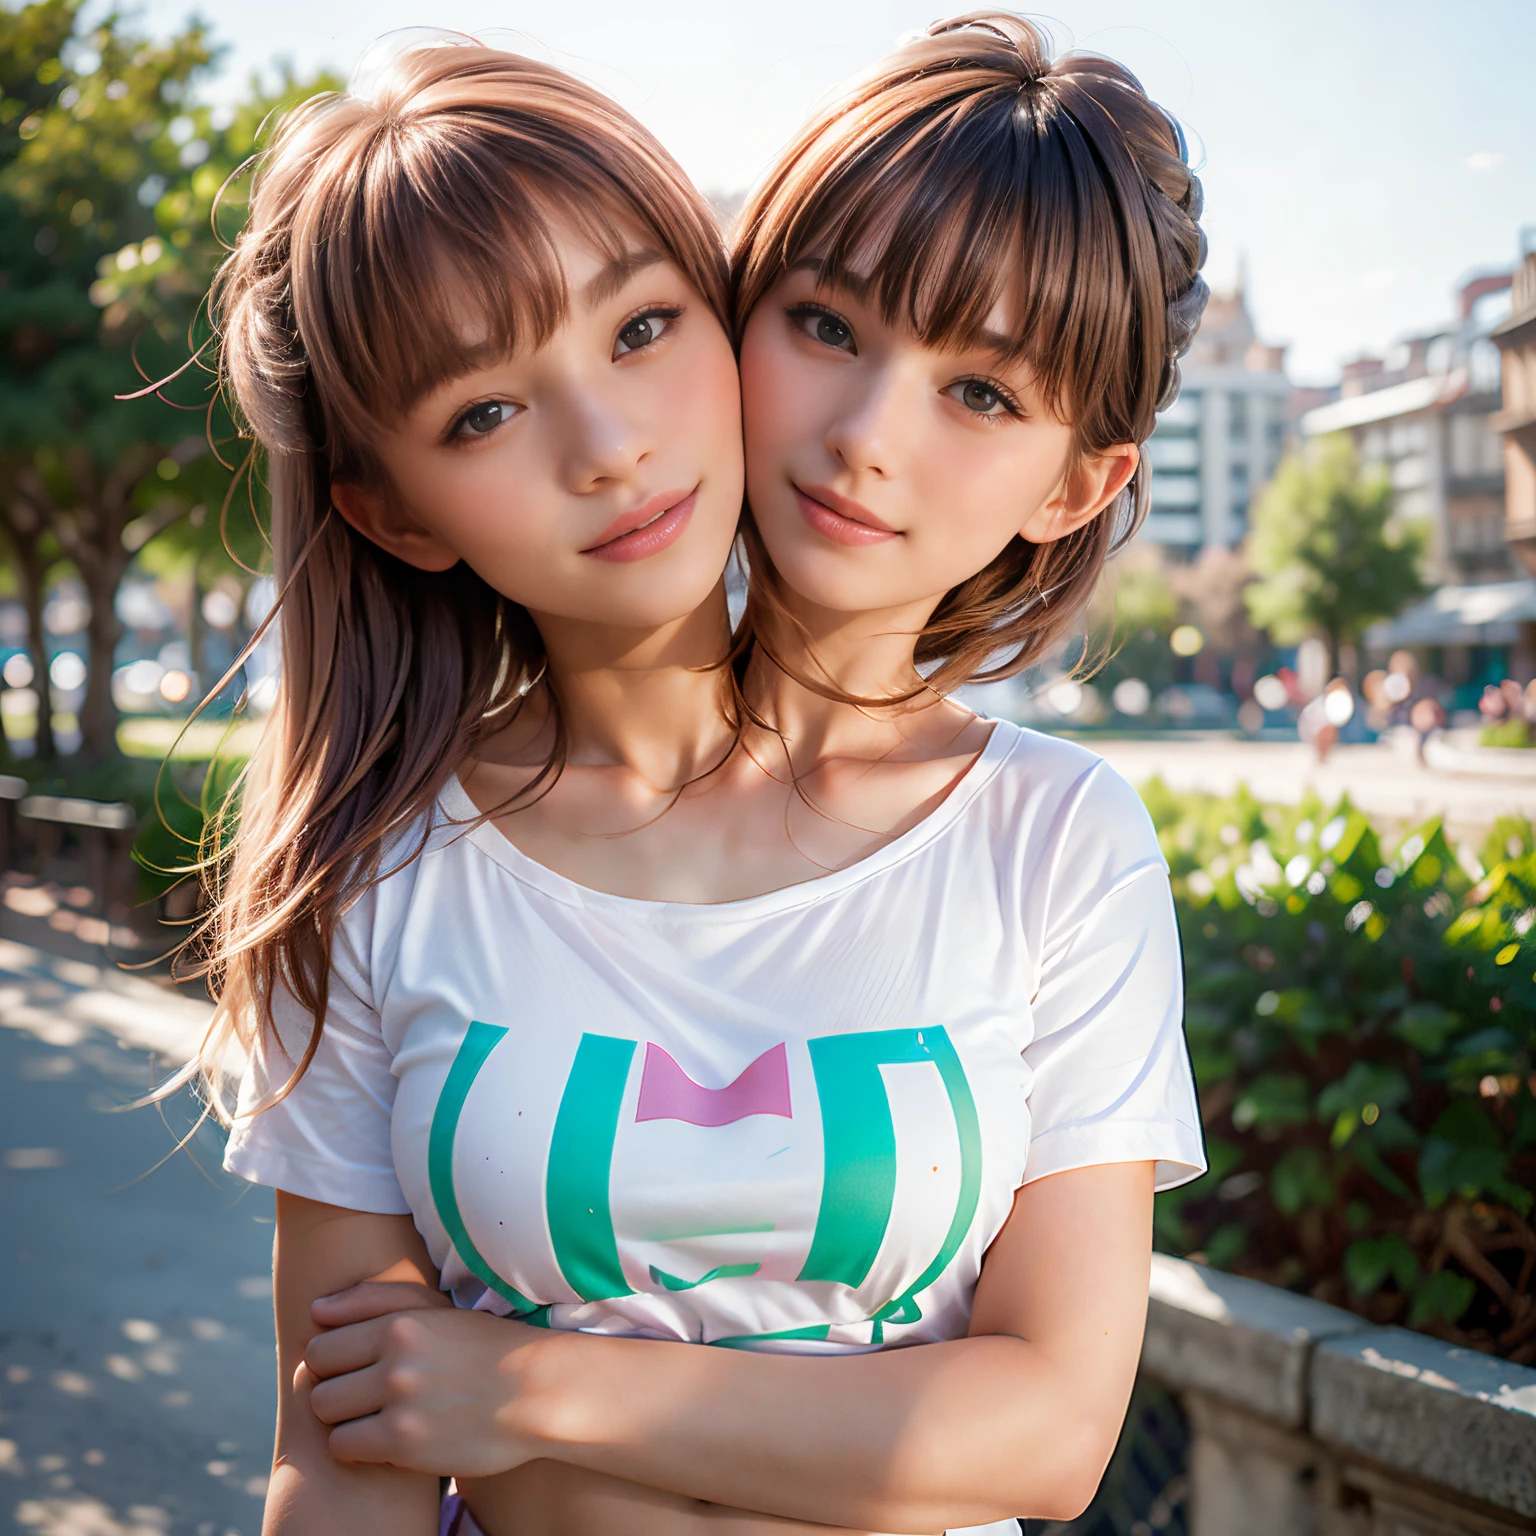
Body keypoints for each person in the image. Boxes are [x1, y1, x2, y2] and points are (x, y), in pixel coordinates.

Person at [205, 16, 1208, 1535]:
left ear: (1079, 487)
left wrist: (536, 1389)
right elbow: (345, 1457)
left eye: (982, 392)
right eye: (826, 326)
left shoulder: (1056, 841)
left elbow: (1054, 1429)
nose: (867, 435)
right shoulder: (382, 864)